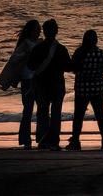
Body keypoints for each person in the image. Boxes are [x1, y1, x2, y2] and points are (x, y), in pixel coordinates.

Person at [27, 18, 72, 150]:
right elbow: (69, 67)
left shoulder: (38, 48)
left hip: (42, 85)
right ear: (56, 31)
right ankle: (54, 141)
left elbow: (30, 66)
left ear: (44, 32)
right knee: (56, 113)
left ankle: (43, 139)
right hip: (57, 84)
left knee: (42, 113)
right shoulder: (61, 49)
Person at [0, 19, 41, 148]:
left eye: (39, 29)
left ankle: (41, 137)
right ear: (31, 31)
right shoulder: (26, 44)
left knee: (41, 110)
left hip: (37, 80)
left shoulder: (38, 42)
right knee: (28, 111)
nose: (39, 31)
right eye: (37, 29)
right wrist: (26, 53)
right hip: (27, 80)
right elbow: (15, 59)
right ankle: (26, 139)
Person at [67, 30, 103, 151]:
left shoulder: (79, 53)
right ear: (96, 40)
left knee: (78, 116)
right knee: (101, 115)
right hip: (97, 89)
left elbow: (72, 68)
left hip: (82, 89)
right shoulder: (101, 54)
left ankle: (75, 141)